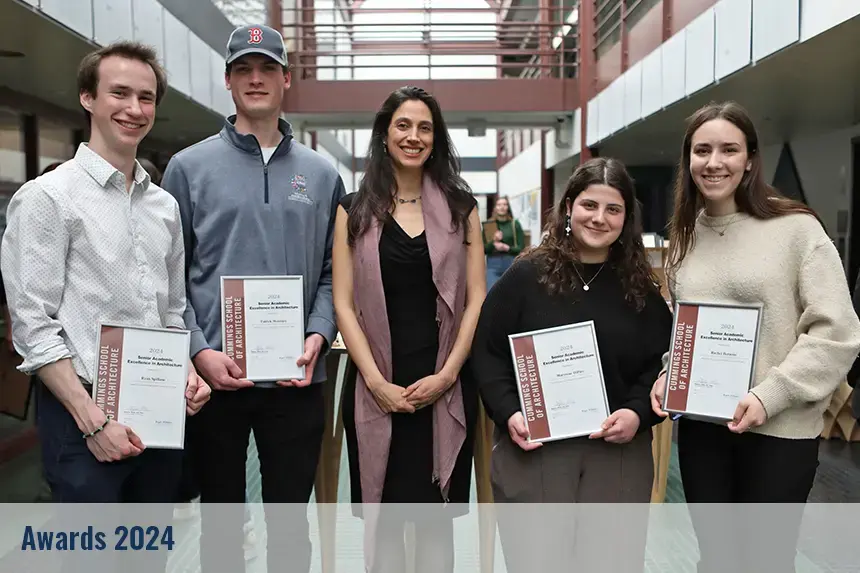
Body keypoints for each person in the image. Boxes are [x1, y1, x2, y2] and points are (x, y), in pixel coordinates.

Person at [0, 41, 210, 571]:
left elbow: (171, 311)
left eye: (145, 97)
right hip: (82, 418)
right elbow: (32, 327)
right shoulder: (48, 198)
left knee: (146, 561)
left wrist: (185, 370)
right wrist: (93, 422)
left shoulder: (164, 207)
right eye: (119, 93)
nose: (134, 109)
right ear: (88, 98)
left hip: (156, 419)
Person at [161, 24, 345, 573]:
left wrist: (318, 333)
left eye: (267, 68)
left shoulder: (320, 173)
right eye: (244, 69)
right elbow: (168, 276)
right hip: (214, 381)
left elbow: (336, 273)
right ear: (228, 80)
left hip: (295, 379)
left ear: (287, 79)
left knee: (291, 524)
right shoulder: (188, 169)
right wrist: (197, 351)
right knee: (221, 523)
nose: (256, 79)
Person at [649, 101, 860, 572]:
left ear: (750, 159)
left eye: (728, 149)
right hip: (705, 431)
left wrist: (770, 396)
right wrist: (671, 374)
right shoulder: (685, 237)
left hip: (779, 432)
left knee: (766, 561)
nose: (714, 162)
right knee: (718, 559)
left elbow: (837, 333)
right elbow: (688, 329)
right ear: (688, 160)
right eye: (701, 150)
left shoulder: (796, 229)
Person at [471, 157, 671, 572]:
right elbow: (487, 351)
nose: (599, 218)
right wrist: (509, 412)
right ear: (568, 208)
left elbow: (661, 363)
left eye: (613, 209)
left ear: (626, 218)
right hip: (537, 450)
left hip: (616, 452)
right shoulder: (526, 276)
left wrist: (636, 413)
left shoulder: (640, 289)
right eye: (589, 205)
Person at [332, 86, 485, 573]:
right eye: (403, 125)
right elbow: (342, 302)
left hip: (445, 386)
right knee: (387, 523)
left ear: (437, 138)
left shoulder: (463, 208)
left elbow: (476, 296)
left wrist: (448, 375)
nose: (413, 136)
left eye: (425, 127)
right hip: (376, 386)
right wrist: (375, 383)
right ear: (384, 133)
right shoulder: (353, 208)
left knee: (437, 523)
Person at [483, 196, 525, 289]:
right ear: (495, 208)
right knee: (492, 292)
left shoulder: (514, 224)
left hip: (510, 262)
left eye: (505, 204)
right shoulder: (489, 224)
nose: (502, 207)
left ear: (508, 207)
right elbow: (484, 249)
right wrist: (494, 241)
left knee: (511, 293)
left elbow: (521, 247)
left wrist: (507, 248)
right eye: (499, 205)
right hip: (493, 263)